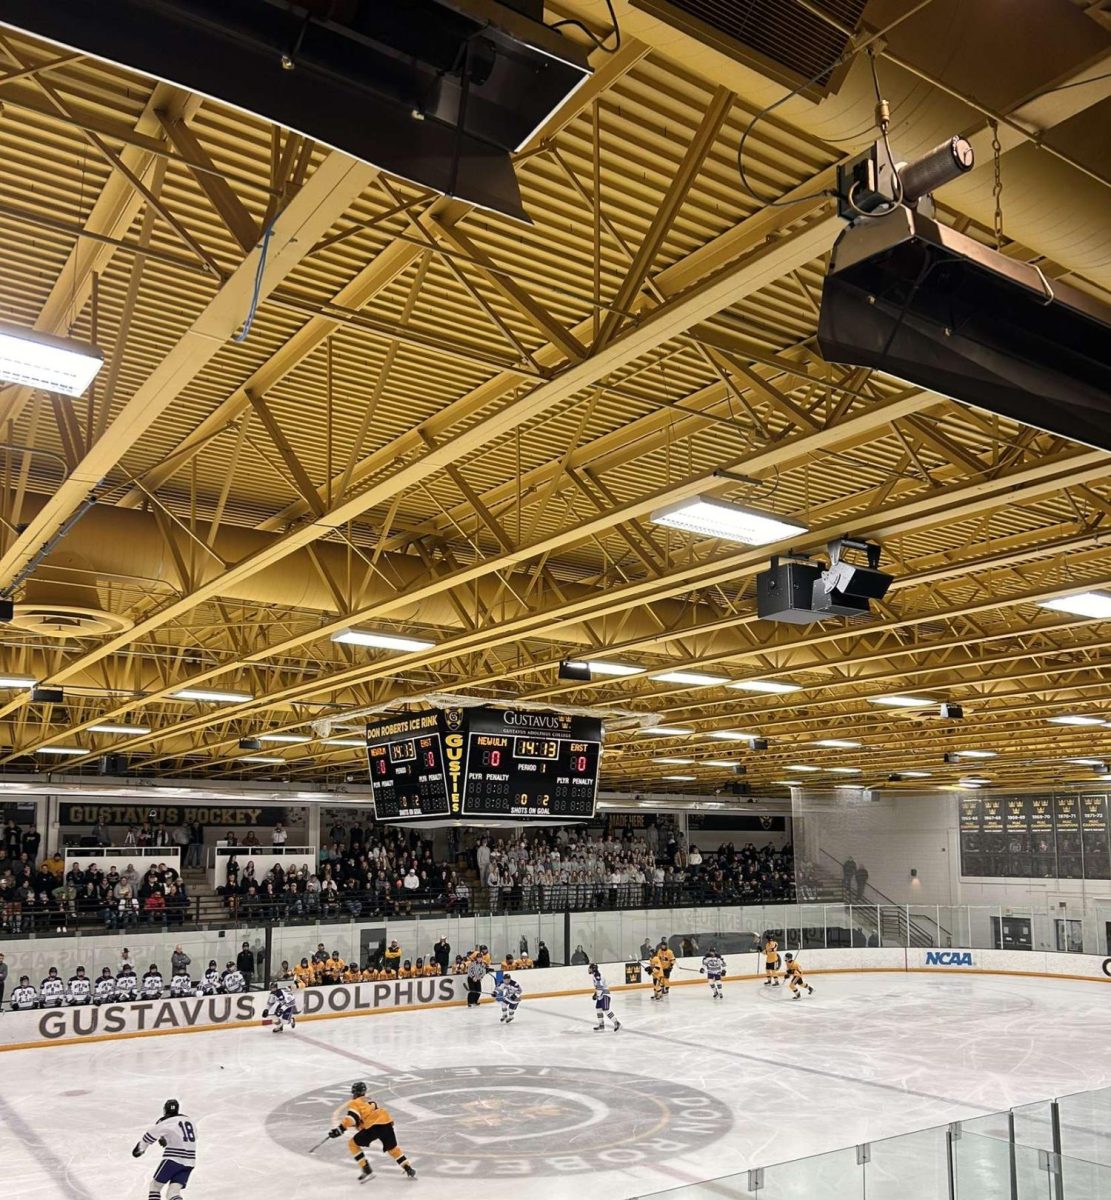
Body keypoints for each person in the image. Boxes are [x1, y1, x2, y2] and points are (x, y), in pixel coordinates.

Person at [327, 1080, 416, 1181]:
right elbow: (364, 1120)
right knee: (392, 1148)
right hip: (386, 1122)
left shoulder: (355, 1102)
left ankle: (366, 1169)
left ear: (354, 1093)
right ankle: (408, 1168)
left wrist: (340, 1129)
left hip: (374, 1126)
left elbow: (352, 1118)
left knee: (352, 1143)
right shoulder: (370, 1100)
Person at [133, 1098, 197, 1198]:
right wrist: (166, 1138)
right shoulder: (189, 1121)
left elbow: (150, 1134)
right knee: (173, 1193)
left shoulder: (166, 1121)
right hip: (190, 1162)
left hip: (173, 1160)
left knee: (155, 1187)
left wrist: (141, 1148)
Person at [588, 964, 621, 1032]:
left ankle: (616, 1022)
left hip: (604, 994)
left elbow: (600, 986)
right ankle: (601, 1025)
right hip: (601, 994)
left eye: (590, 968)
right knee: (598, 1009)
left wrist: (596, 995)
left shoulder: (597, 976)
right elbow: (598, 987)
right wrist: (596, 994)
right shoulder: (595, 975)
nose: (589, 969)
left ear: (593, 969)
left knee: (606, 1009)